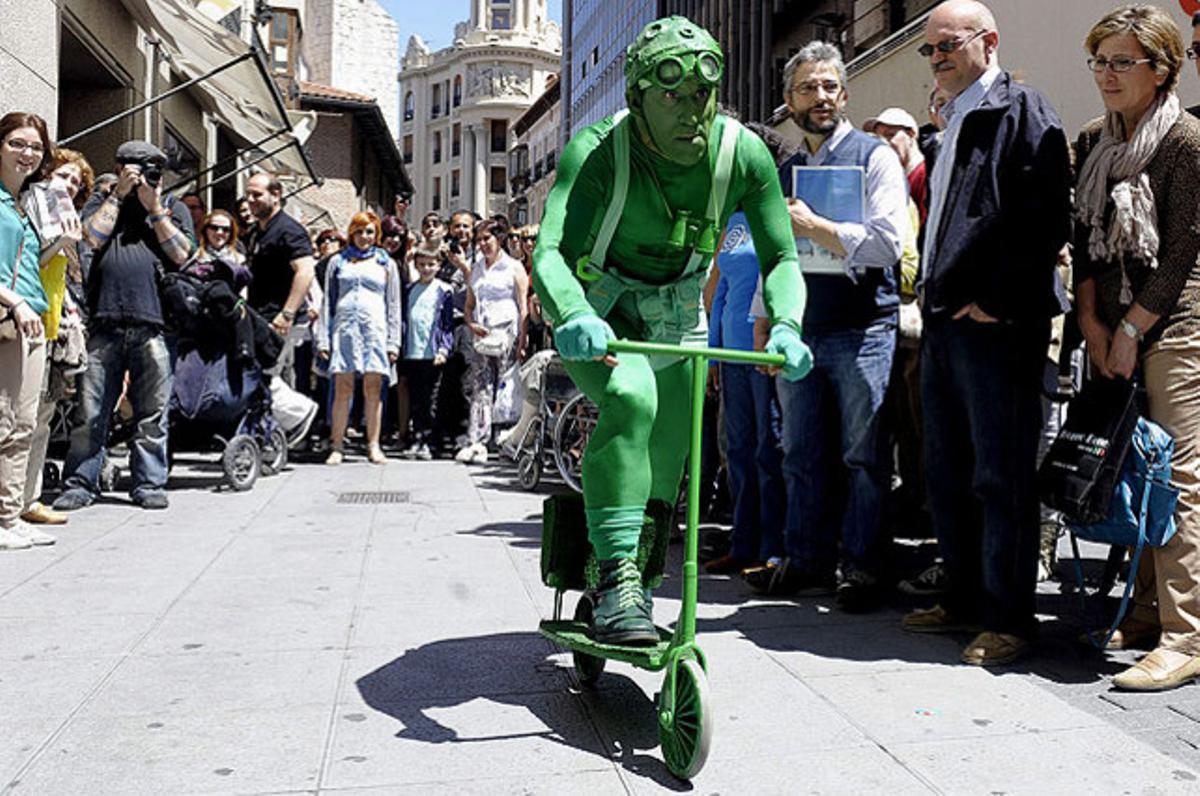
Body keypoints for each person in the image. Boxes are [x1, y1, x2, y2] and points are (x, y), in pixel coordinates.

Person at [533, 16, 812, 643]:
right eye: (671, 96)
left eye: (702, 95)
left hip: (680, 314)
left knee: (665, 468)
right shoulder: (597, 150)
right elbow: (550, 251)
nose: (691, 112)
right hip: (601, 309)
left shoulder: (743, 154)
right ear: (637, 99)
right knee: (631, 397)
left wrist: (787, 324)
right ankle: (616, 583)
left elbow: (782, 257)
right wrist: (573, 314)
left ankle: (626, 578)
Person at [901, 0, 1072, 667]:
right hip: (946, 322)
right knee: (946, 472)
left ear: (989, 41)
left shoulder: (1021, 109)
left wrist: (997, 301)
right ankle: (964, 596)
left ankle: (1009, 617)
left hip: (995, 327)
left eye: (948, 44)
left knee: (1001, 475)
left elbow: (1045, 215)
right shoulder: (952, 120)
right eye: (930, 49)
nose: (937, 58)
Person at [744, 42, 907, 612]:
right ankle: (806, 560)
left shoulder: (875, 156)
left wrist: (816, 227)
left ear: (845, 94)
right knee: (799, 452)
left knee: (864, 457)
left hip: (863, 330)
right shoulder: (783, 172)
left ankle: (862, 568)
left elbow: (888, 245)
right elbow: (773, 255)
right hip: (799, 333)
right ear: (789, 101)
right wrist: (763, 316)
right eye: (808, 88)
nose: (821, 97)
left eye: (830, 86)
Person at [1073, 5, 1200, 691]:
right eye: (1099, 61)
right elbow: (1083, 239)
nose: (1106, 74)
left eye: (1123, 61)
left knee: (1179, 477)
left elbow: (1182, 252)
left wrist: (1131, 331)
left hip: (1176, 324)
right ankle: (1146, 612)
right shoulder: (1093, 139)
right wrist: (1093, 323)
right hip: (1111, 324)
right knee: (1135, 470)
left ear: (1162, 68)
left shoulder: (1187, 141)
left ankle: (1187, 634)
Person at [53, 140, 196, 512]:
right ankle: (80, 483)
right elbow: (90, 239)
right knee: (90, 412)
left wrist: (155, 209)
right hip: (104, 321)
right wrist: (118, 196)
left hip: (157, 325)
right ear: (119, 169)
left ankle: (148, 483)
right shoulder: (101, 202)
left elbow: (183, 254)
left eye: (153, 171)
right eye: (137, 169)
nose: (146, 177)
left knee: (153, 414)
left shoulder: (173, 206)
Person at [21, 147, 94, 529]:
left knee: (43, 418)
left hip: (52, 325)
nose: (69, 185)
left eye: (76, 182)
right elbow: (29, 264)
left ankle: (28, 499)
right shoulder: (30, 208)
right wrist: (62, 243)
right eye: (64, 176)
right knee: (21, 418)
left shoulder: (66, 220)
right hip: (27, 319)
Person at [0, 112, 53, 549]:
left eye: (35, 146)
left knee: (23, 422)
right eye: (17, 143)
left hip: (32, 320)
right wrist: (13, 301)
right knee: (3, 419)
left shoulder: (25, 204)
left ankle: (9, 514)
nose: (27, 153)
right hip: (8, 317)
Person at [317, 212, 401, 465]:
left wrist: (393, 341)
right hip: (344, 329)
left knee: (373, 388)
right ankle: (337, 444)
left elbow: (393, 304)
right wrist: (323, 338)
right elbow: (328, 301)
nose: (364, 237)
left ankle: (373, 444)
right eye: (359, 232)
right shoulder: (338, 262)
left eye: (369, 232)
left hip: (374, 329)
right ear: (351, 233)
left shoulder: (386, 263)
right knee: (342, 388)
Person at [244, 171, 318, 447]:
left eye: (257, 194)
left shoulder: (289, 230)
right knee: (256, 373)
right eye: (248, 195)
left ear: (276, 195)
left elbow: (305, 271)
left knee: (262, 374)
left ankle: (299, 413)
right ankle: (266, 435)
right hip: (259, 316)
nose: (251, 200)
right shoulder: (256, 232)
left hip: (279, 318)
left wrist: (287, 314)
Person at [457, 218, 527, 463]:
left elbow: (523, 307)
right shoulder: (476, 268)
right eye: (479, 240)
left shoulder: (514, 267)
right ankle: (478, 441)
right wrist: (471, 323)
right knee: (481, 387)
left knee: (506, 385)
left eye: (487, 238)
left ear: (500, 238)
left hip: (508, 334)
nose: (483, 244)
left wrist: (522, 341)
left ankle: (505, 440)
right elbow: (469, 305)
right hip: (483, 335)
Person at [401, 239, 454, 460]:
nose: (426, 269)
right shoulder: (410, 290)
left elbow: (447, 324)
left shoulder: (444, 290)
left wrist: (443, 349)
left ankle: (431, 440)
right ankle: (417, 437)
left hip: (433, 353)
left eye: (431, 264)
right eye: (422, 264)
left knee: (432, 398)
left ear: (438, 265)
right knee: (416, 398)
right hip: (413, 352)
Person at [864, 107, 928, 226]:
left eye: (890, 135)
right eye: (878, 137)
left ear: (911, 135)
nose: (883, 143)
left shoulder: (924, 174)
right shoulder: (892, 177)